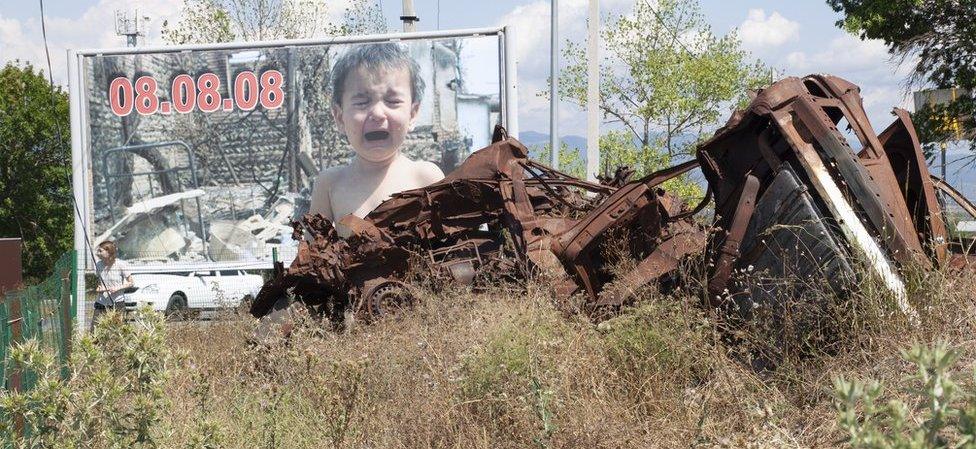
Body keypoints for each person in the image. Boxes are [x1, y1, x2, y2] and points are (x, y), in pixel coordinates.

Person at [309, 43, 444, 235]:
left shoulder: (426, 177)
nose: (378, 113)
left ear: (413, 114)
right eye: (362, 102)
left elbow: (453, 250)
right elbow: (311, 257)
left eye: (392, 101)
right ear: (339, 117)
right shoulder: (330, 185)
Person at [92, 240, 133, 328]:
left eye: (100, 251)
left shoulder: (120, 264)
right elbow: (98, 285)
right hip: (101, 303)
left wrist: (118, 288)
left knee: (117, 330)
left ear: (109, 252)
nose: (97, 253)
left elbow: (131, 283)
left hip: (117, 303)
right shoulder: (98, 265)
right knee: (94, 331)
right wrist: (100, 289)